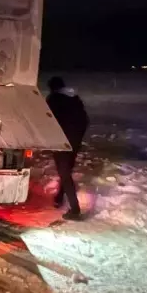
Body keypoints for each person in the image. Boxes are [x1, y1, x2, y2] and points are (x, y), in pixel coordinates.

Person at [46, 76, 90, 220]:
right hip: (74, 140)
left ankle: (75, 209)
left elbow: (49, 120)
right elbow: (85, 120)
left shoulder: (53, 99)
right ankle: (59, 198)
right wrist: (76, 138)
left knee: (64, 172)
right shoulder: (74, 99)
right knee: (65, 170)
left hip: (62, 141)